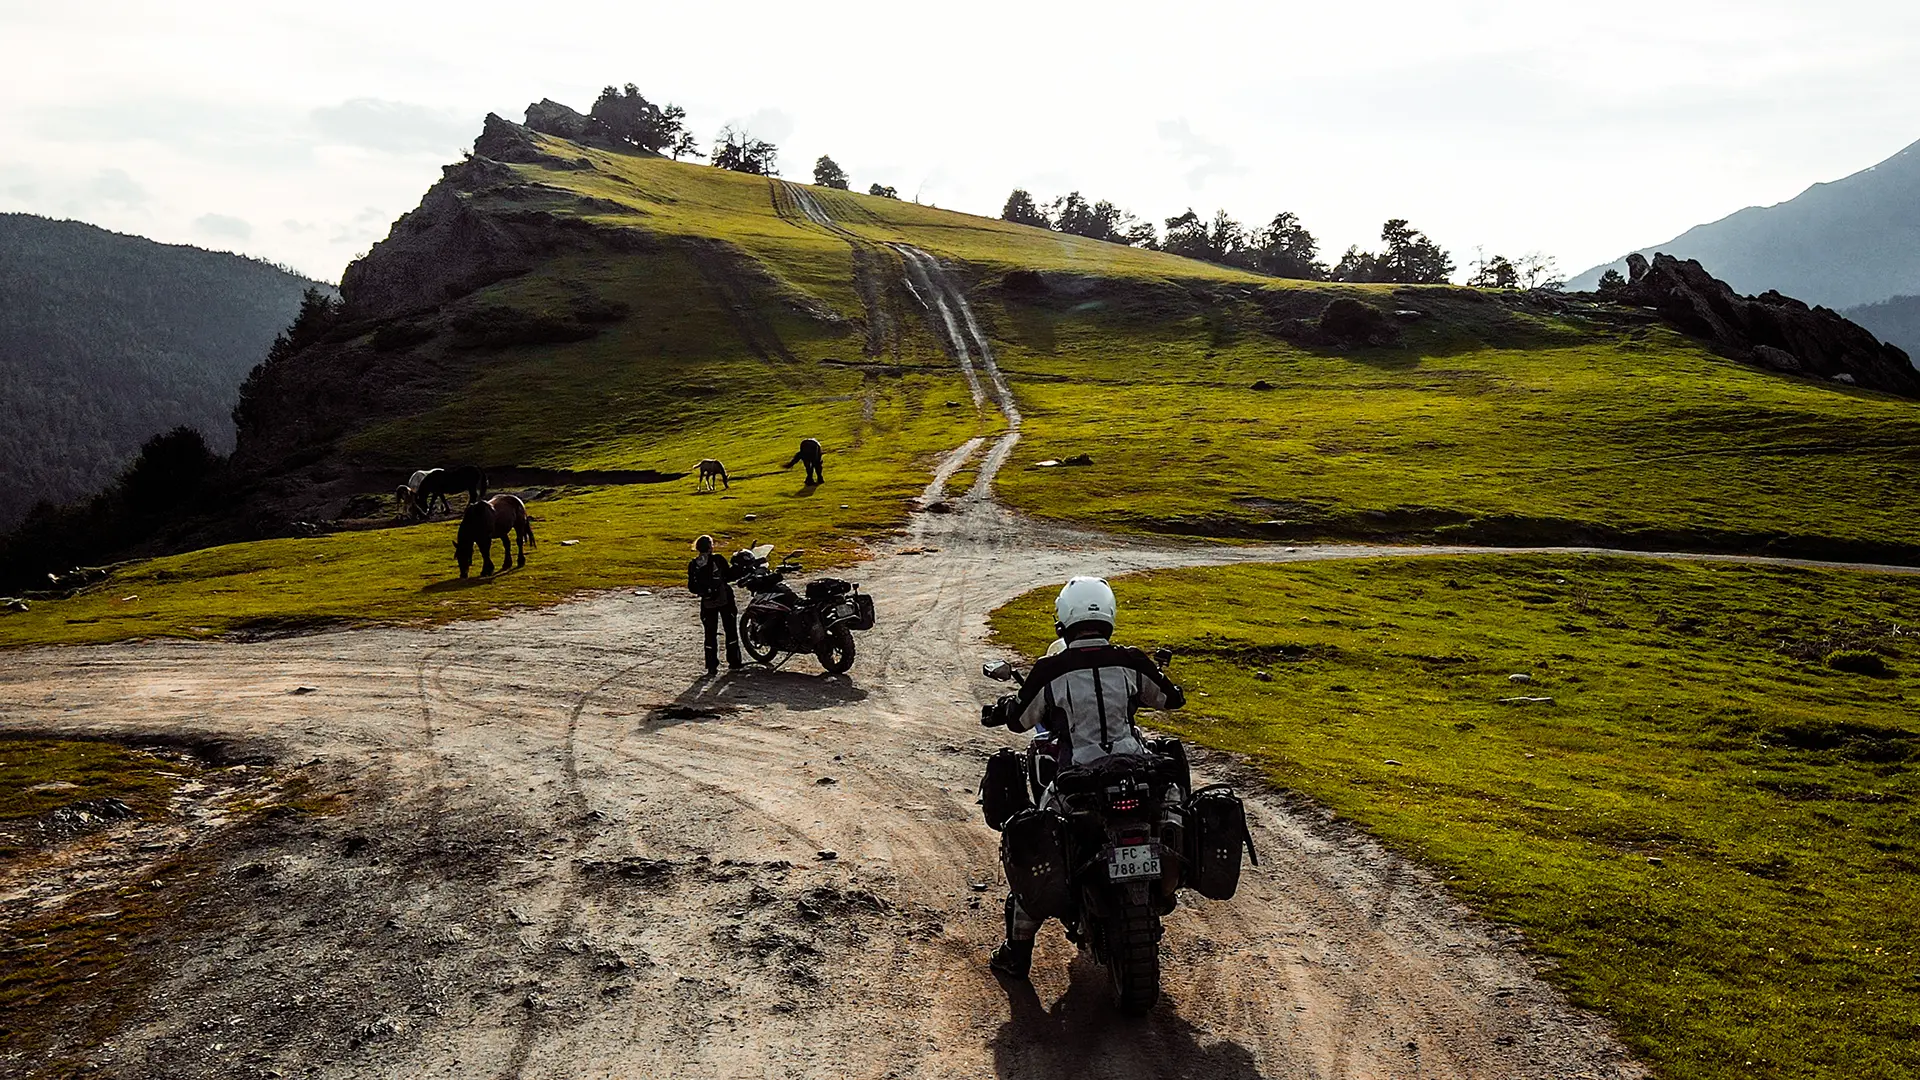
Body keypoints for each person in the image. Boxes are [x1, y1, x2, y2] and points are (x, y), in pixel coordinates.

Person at [985, 575, 1185, 980]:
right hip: (1136, 768)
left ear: (1063, 618)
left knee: (1037, 835)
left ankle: (1017, 952)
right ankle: (1169, 874)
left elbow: (1020, 722)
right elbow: (1170, 699)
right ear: (1108, 614)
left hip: (1075, 779)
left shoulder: (1049, 669)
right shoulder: (1130, 661)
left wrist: (1005, 707)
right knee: (1173, 796)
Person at [687, 534, 741, 674]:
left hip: (707, 602)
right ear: (711, 546)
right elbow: (729, 576)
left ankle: (711, 665)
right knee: (730, 630)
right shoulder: (718, 559)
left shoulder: (693, 564)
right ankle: (734, 662)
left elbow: (692, 587)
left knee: (710, 633)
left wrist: (704, 591)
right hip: (725, 599)